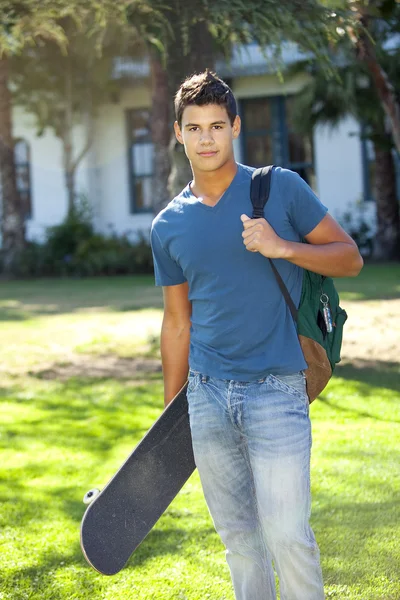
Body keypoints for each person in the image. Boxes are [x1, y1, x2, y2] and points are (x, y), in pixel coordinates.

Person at [150, 70, 363, 600]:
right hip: (207, 396)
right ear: (178, 133)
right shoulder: (168, 225)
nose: (206, 138)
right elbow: (177, 322)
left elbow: (350, 258)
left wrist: (283, 247)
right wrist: (169, 414)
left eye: (217, 125)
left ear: (236, 127)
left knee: (288, 535)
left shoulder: (279, 188)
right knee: (240, 541)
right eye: (194, 127)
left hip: (277, 389)